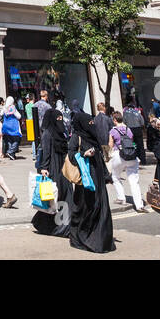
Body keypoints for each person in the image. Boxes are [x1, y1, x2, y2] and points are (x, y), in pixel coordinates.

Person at [66, 109, 115, 252]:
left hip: (97, 176)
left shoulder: (93, 136)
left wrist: (107, 175)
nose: (91, 124)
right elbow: (70, 154)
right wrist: (84, 154)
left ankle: (100, 238)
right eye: (89, 122)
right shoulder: (77, 136)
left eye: (92, 121)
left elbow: (100, 155)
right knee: (86, 207)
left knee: (100, 206)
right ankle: (81, 236)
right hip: (86, 179)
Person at [31, 106, 73, 237]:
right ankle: (53, 225)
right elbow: (46, 153)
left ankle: (65, 225)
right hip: (53, 169)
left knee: (65, 197)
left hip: (64, 169)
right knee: (54, 198)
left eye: (61, 118)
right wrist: (44, 168)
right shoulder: (48, 134)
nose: (61, 121)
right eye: (58, 118)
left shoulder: (61, 133)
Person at [107, 111, 144, 210]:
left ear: (115, 120)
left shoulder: (113, 131)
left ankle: (121, 198)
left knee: (115, 176)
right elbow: (131, 141)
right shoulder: (129, 129)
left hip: (119, 156)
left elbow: (110, 145)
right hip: (131, 156)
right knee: (134, 181)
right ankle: (139, 205)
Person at [123, 100, 147, 165]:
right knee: (140, 145)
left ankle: (133, 159)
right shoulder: (137, 112)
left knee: (132, 145)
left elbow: (124, 122)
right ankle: (143, 160)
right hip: (138, 129)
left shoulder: (125, 113)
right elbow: (142, 122)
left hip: (130, 130)